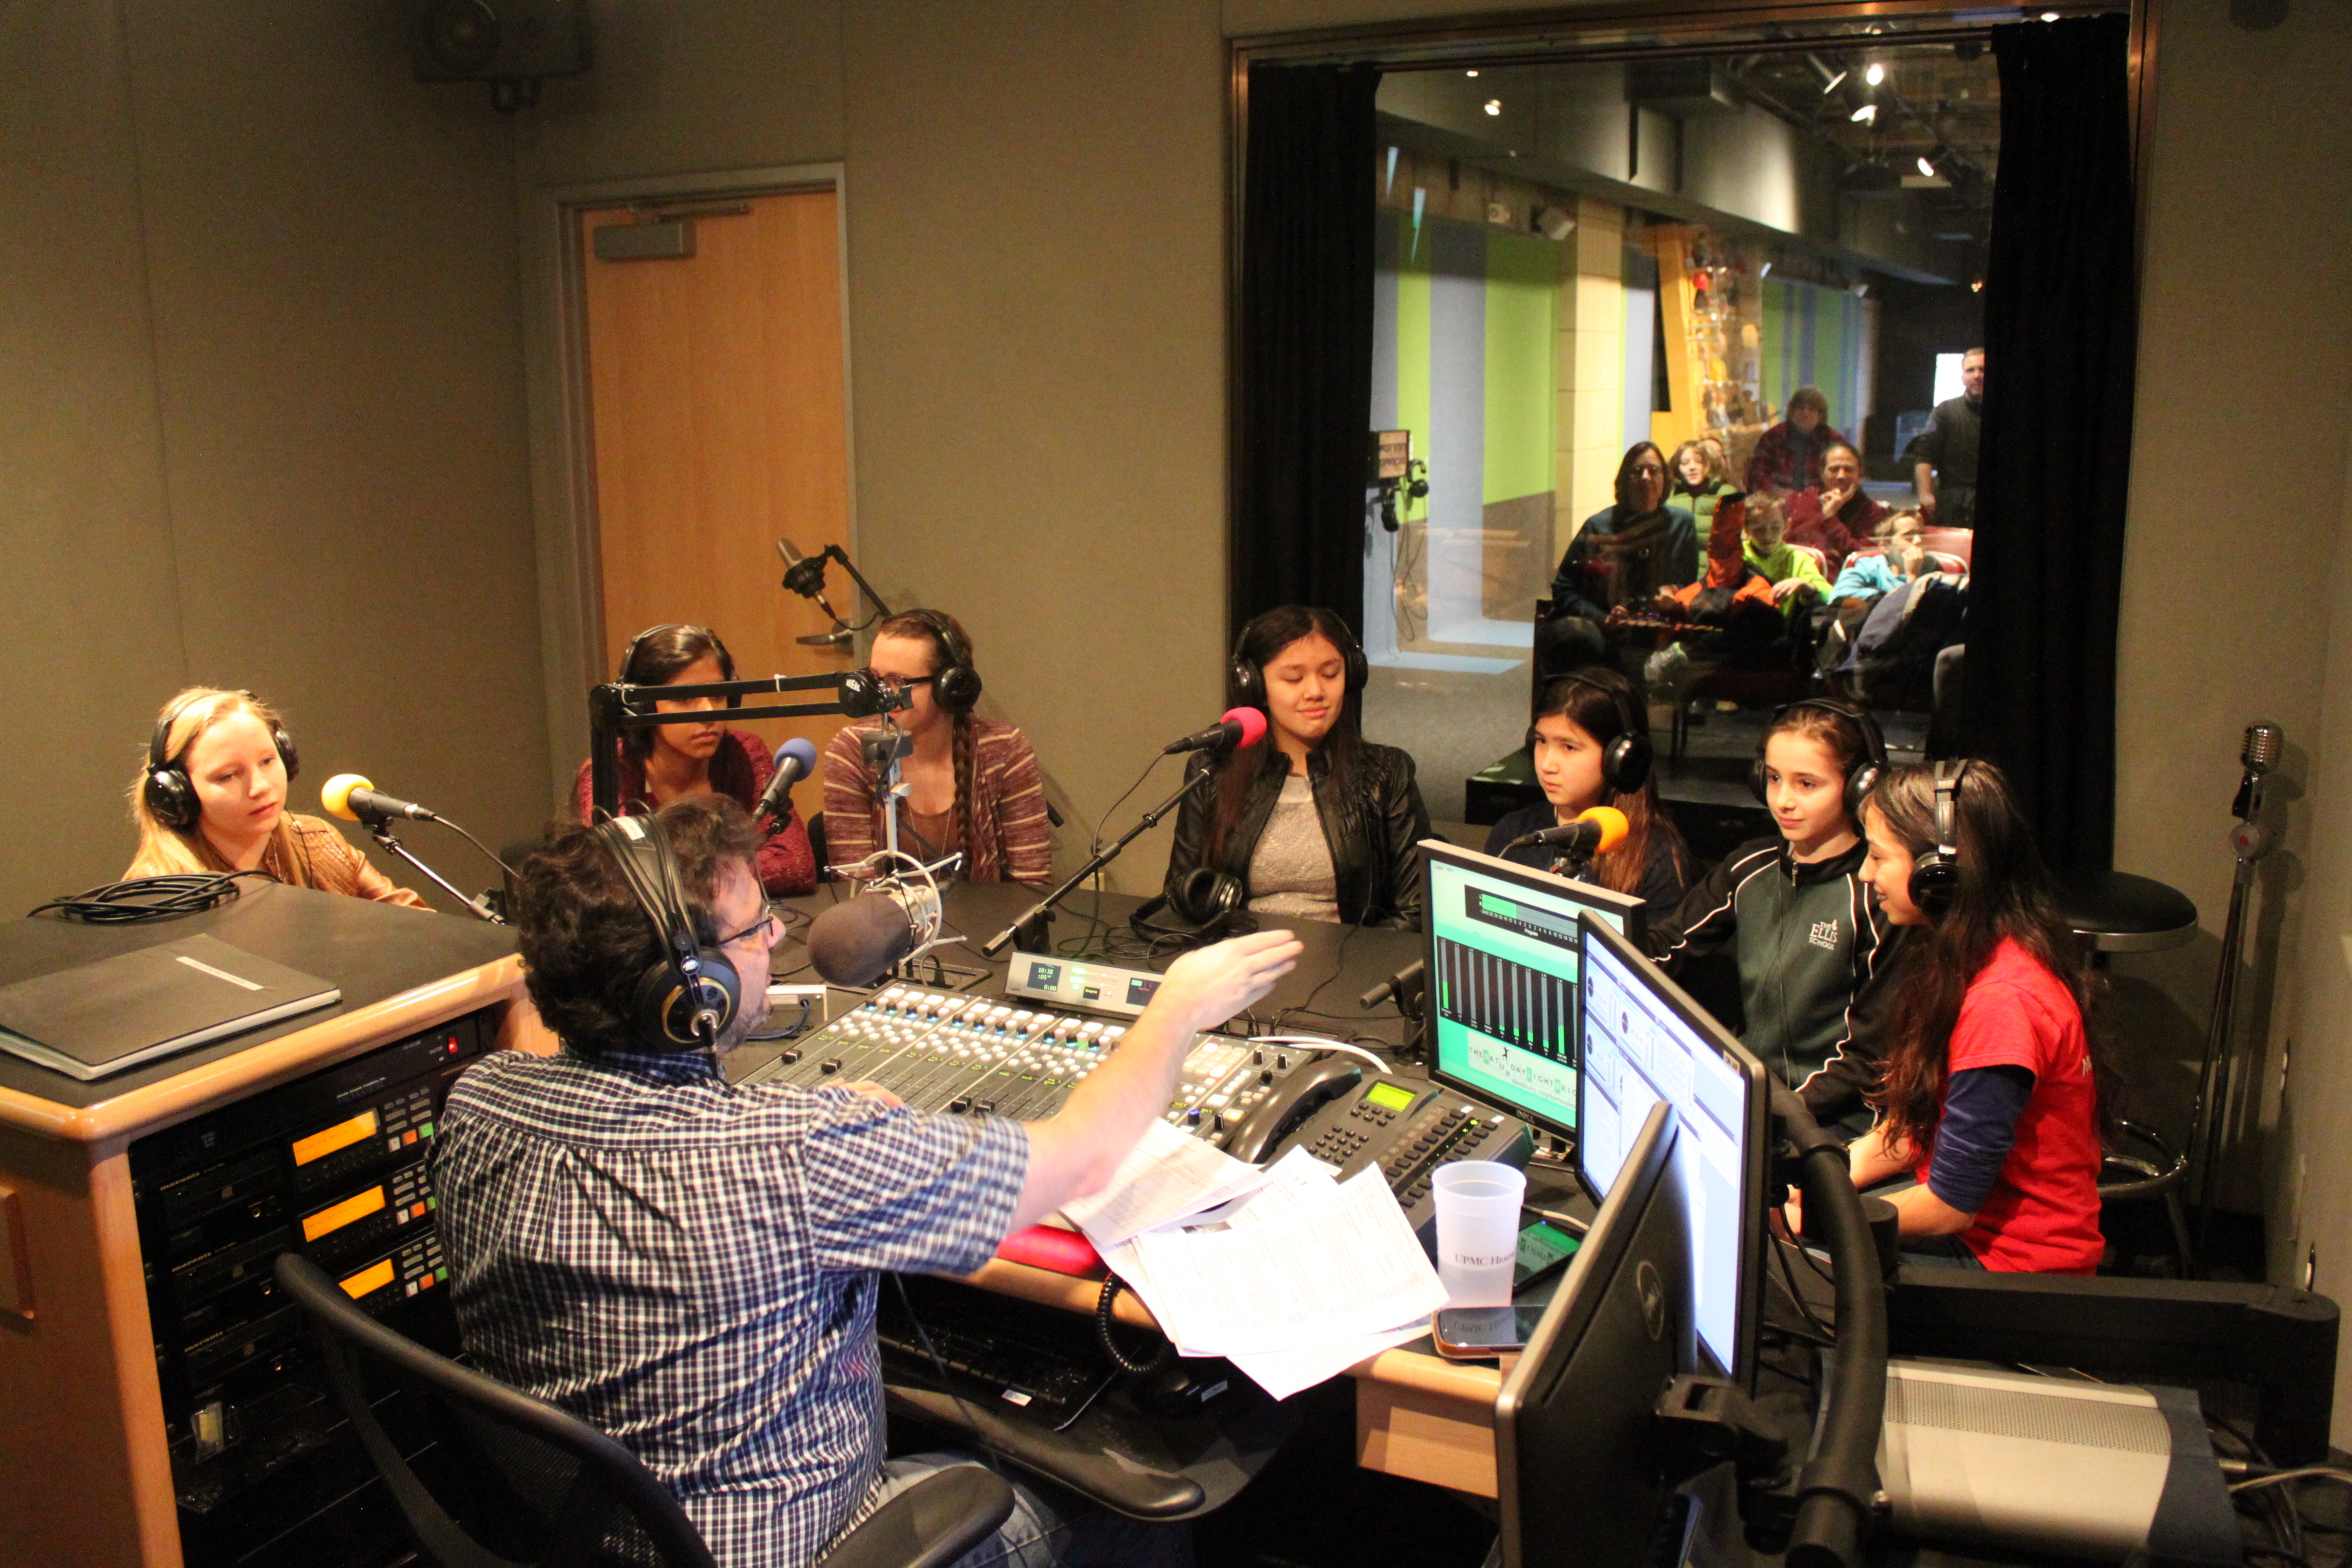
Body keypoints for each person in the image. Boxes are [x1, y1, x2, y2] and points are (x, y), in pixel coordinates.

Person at [433, 794, 1304, 1564]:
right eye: (752, 927)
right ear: (685, 991)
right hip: (816, 1548)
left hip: (601, 1538)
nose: (778, 935)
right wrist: (1176, 1010)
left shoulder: (476, 1103)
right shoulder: (794, 1152)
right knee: (1135, 1511)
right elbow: (1081, 1152)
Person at [1848, 760, 2111, 1272]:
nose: (1865, 873)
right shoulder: (1972, 955)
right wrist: (1829, 1177)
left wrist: (1822, 1218)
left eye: (1878, 856)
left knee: (1775, 1266)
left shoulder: (2000, 1005)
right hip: (1976, 1237)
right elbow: (1917, 1129)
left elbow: (1948, 1207)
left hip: (2013, 1272)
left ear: (1938, 873)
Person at [1647, 699, 1901, 1123]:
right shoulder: (1751, 865)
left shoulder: (1880, 894)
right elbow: (1667, 945)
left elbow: (1867, 1058)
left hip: (1831, 1121)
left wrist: (1767, 1117)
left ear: (1859, 786)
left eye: (1806, 784)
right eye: (1773, 778)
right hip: (1754, 1099)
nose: (1782, 800)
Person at [1165, 606, 1431, 929]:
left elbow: (1415, 914)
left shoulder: (1387, 772)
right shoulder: (1211, 772)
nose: (1316, 691)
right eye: (1293, 678)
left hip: (1350, 967)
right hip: (1242, 963)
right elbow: (1180, 896)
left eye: (1331, 674)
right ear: (1254, 685)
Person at [126, 687, 427, 907]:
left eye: (268, 761)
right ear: (178, 793)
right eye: (228, 776)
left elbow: (420, 929)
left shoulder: (317, 841)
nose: (260, 787)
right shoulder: (158, 893)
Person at [574, 624, 816, 896]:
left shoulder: (742, 752)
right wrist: (731, 877)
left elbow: (795, 864)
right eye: (684, 698)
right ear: (640, 705)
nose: (708, 712)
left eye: (717, 695)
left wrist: (687, 880)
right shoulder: (611, 770)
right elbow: (620, 878)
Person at [822, 609, 1053, 888]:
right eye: (875, 679)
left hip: (988, 928)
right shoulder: (851, 751)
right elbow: (854, 887)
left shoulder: (1004, 751)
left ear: (950, 685)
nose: (882, 695)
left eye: (897, 682)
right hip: (884, 929)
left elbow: (1033, 884)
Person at [1483, 668, 1690, 923]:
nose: (1547, 763)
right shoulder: (1515, 833)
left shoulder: (1658, 858)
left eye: (1568, 747)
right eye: (1541, 741)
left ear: (1621, 758)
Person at [1537, 443, 1700, 674]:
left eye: (1653, 470)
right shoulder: (1598, 526)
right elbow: (1564, 588)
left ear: (1665, 478)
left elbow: (1689, 585)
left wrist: (1674, 597)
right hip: (1603, 631)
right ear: (1624, 480)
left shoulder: (1681, 523)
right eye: (1637, 471)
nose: (1646, 478)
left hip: (1658, 629)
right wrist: (1603, 619)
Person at [1908, 347, 1984, 531]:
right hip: (1952, 501)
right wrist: (1925, 494)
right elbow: (1924, 454)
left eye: (1983, 369)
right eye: (1970, 370)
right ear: (1962, 378)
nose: (1977, 375)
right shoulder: (1944, 411)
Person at [1783, 440, 1887, 574]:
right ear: (1822, 472)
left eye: (1848, 470)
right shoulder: (1798, 501)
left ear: (1860, 473)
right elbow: (1788, 542)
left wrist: (1830, 519)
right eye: (1834, 469)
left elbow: (1864, 555)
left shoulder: (1872, 511)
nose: (1841, 476)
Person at [1743, 386, 1848, 497]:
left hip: (1820, 503)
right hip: (1778, 503)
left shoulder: (1833, 441)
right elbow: (1757, 474)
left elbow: (1843, 476)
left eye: (1811, 409)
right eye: (1800, 408)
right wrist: (1776, 491)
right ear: (1791, 412)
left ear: (1820, 415)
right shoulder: (1773, 437)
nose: (1805, 413)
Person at [1667, 439, 1742, 545]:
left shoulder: (1726, 494)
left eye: (1698, 461)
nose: (1692, 467)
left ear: (1708, 464)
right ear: (1677, 467)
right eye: (1685, 463)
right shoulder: (1670, 498)